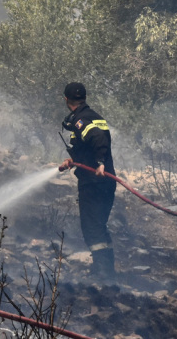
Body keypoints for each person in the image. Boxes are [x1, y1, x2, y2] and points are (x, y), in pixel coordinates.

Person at [59, 81, 117, 283]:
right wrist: (72, 161)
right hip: (105, 182)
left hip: (94, 183)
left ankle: (103, 275)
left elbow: (98, 138)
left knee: (92, 227)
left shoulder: (81, 120)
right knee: (99, 225)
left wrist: (100, 163)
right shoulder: (93, 116)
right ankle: (107, 271)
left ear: (66, 99)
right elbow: (90, 145)